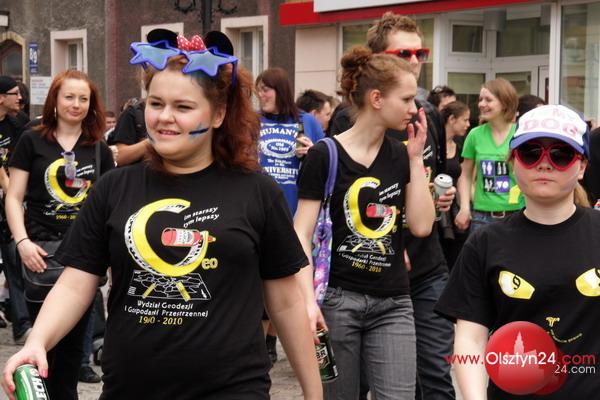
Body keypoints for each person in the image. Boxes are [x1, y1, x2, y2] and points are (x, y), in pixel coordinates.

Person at [2, 34, 322, 400]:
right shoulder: (114, 187)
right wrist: (38, 341)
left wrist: (314, 394)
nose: (165, 117)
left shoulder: (257, 192)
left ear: (218, 114)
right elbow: (76, 284)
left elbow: (285, 302)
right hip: (129, 391)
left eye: (183, 107)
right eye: (155, 103)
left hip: (232, 390)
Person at [295, 45, 435, 399]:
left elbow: (421, 226)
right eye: (406, 99)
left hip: (394, 303)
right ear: (376, 98)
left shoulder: (400, 155)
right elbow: (300, 233)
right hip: (337, 301)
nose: (413, 109)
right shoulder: (325, 155)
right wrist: (308, 302)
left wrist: (415, 160)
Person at [435, 104, 600, 399]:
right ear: (513, 162)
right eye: (530, 153)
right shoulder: (485, 243)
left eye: (561, 154)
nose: (544, 164)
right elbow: (471, 339)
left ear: (582, 167)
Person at [3, 69, 114, 399]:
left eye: (83, 98)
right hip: (41, 254)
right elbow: (14, 196)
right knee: (43, 347)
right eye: (69, 97)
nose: (76, 104)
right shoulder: (32, 140)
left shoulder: (98, 148)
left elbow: (110, 206)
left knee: (72, 354)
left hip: (83, 258)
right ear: (54, 100)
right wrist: (22, 242)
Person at [455, 78, 524, 233]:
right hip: (482, 218)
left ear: (505, 103)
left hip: (517, 216)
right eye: (480, 99)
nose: (481, 104)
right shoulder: (474, 135)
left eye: (488, 100)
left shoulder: (520, 134)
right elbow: (465, 174)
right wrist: (465, 208)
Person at [255, 68, 325, 215]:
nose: (260, 95)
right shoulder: (253, 121)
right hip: (259, 203)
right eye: (258, 90)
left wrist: (313, 153)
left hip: (296, 206)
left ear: (280, 91)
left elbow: (327, 164)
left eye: (265, 90)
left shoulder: (307, 121)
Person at [0, 76, 32, 344]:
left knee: (15, 260)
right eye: (14, 94)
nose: (20, 98)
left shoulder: (18, 123)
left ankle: (22, 325)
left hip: (9, 200)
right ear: (1, 98)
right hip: (8, 193)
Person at [438, 101, 470, 268]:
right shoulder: (433, 146)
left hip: (454, 210)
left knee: (455, 258)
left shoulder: (458, 147)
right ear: (451, 119)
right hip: (436, 211)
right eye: (465, 120)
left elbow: (462, 177)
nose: (468, 124)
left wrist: (465, 208)